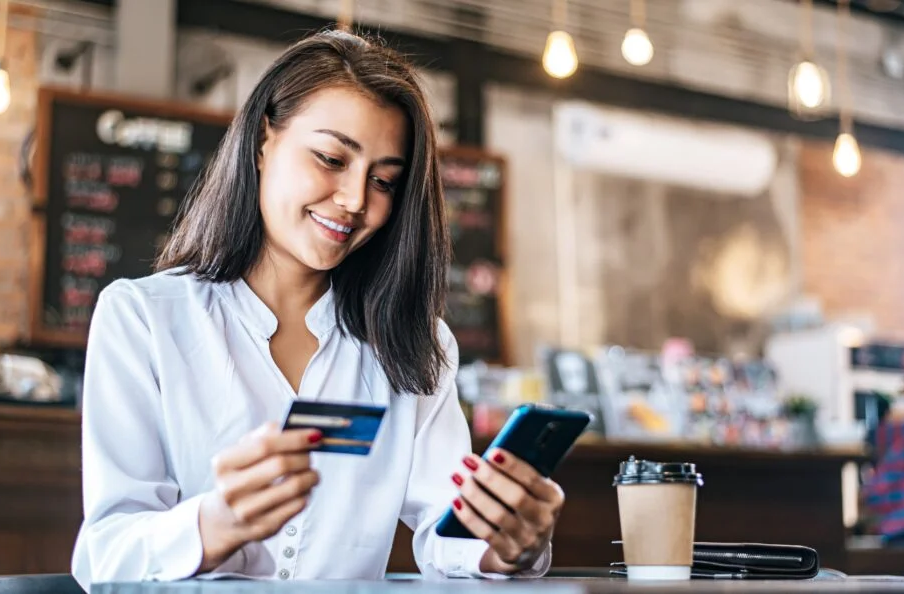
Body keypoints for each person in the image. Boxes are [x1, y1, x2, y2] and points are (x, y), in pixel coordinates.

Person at [69, 30, 563, 590]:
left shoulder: (415, 345)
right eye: (331, 158)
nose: (355, 200)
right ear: (263, 140)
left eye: (383, 181)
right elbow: (105, 555)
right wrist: (213, 524)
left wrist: (507, 545)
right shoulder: (144, 318)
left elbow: (445, 535)